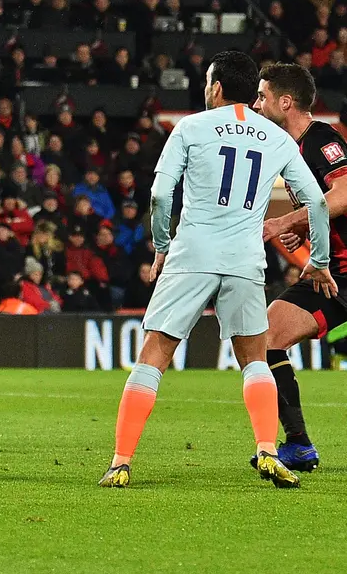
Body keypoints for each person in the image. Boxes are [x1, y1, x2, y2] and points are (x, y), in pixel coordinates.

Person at [99, 51, 336, 489]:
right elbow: (318, 202)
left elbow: (159, 194)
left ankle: (121, 462)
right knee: (255, 359)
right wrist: (318, 260)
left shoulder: (190, 127)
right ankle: (268, 449)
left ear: (217, 88)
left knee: (155, 355)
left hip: (192, 254)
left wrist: (161, 247)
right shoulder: (277, 138)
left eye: (208, 82)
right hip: (245, 260)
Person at [254, 63, 347, 472]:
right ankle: (299, 444)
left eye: (262, 97)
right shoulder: (288, 151)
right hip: (331, 274)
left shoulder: (321, 138)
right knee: (266, 335)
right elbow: (323, 210)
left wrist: (284, 222)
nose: (257, 104)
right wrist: (303, 231)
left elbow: (344, 194)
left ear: (284, 101)